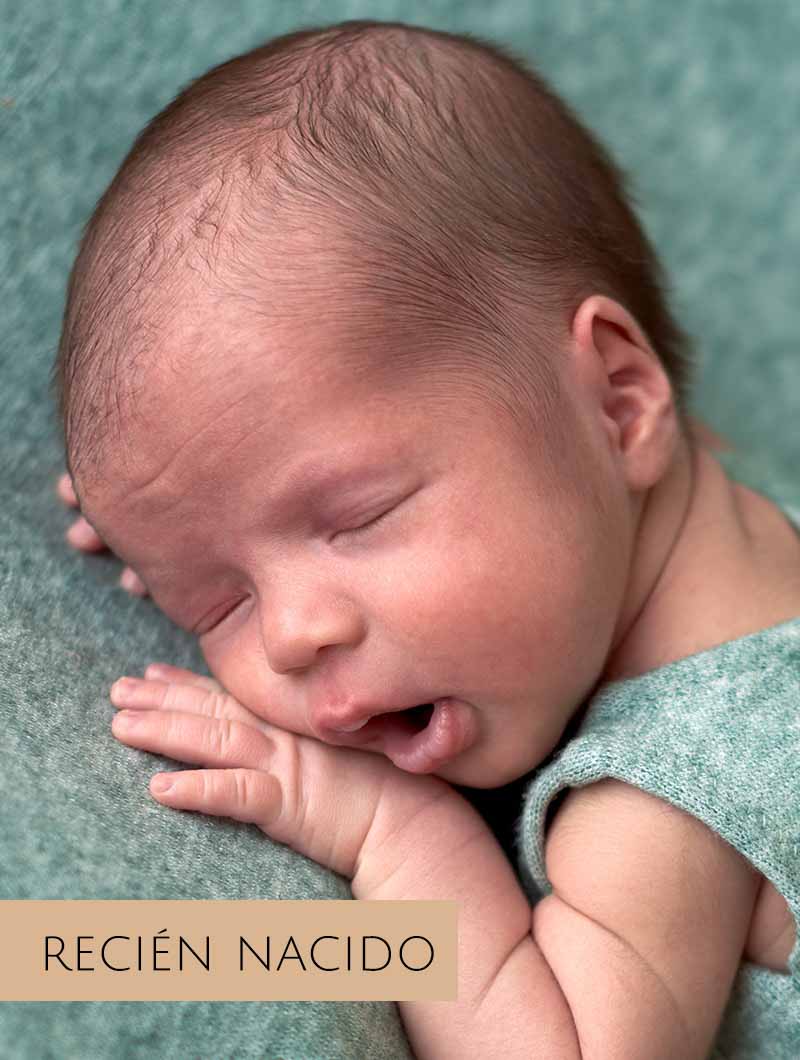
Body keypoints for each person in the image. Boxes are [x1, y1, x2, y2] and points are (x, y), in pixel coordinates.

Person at [52, 18, 800, 1058]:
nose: (294, 635)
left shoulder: (680, 780)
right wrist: (198, 515)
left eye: (355, 518)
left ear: (619, 403)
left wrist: (391, 831)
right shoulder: (696, 506)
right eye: (217, 601)